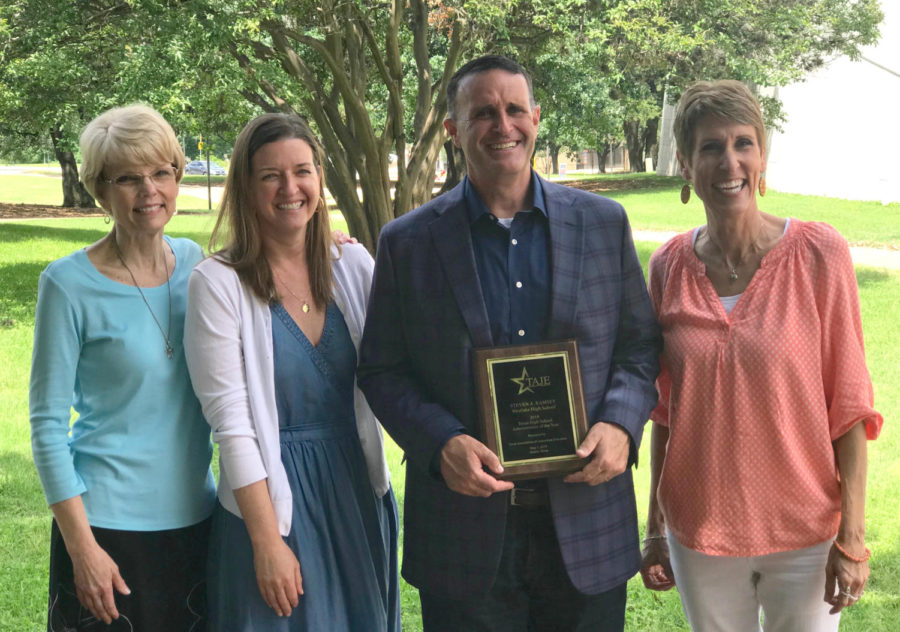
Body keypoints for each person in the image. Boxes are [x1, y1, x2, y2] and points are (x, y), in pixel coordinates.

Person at [357, 55, 661, 631]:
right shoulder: (408, 242)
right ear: (453, 130)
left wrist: (621, 425)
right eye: (484, 113)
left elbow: (639, 346)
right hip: (464, 531)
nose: (503, 125)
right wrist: (440, 441)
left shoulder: (602, 224)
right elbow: (382, 369)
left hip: (585, 523)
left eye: (514, 109)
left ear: (536, 118)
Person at [640, 80, 883, 631]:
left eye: (743, 143)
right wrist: (655, 527)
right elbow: (663, 412)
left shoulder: (820, 254)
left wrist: (852, 537)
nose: (730, 161)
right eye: (710, 147)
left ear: (762, 157)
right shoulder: (668, 267)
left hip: (806, 532)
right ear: (685, 164)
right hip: (700, 530)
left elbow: (849, 406)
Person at [183, 113, 399, 631]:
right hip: (274, 501)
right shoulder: (217, 285)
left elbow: (403, 367)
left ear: (320, 178)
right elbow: (232, 427)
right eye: (270, 176)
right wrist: (266, 543)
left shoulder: (353, 267)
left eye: (302, 171)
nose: (290, 188)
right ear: (244, 186)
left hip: (356, 489)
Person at [29, 104, 217, 630]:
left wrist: (327, 244)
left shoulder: (197, 264)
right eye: (128, 178)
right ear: (100, 191)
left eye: (161, 172)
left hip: (196, 523)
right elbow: (46, 427)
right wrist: (81, 548)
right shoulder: (67, 285)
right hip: (105, 532)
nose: (149, 190)